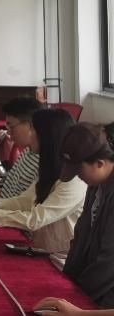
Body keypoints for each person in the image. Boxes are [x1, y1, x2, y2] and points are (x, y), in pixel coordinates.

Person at [0, 108, 86, 257]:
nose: (29, 135)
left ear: (48, 137)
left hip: (62, 258)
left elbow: (36, 219)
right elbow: (25, 200)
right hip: (40, 248)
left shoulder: (74, 180)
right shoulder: (50, 168)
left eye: (33, 131)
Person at [33, 123, 114, 311]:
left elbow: (109, 262)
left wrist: (77, 299)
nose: (77, 176)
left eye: (79, 171)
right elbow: (80, 238)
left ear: (100, 163)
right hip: (93, 286)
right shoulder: (96, 184)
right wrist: (66, 283)